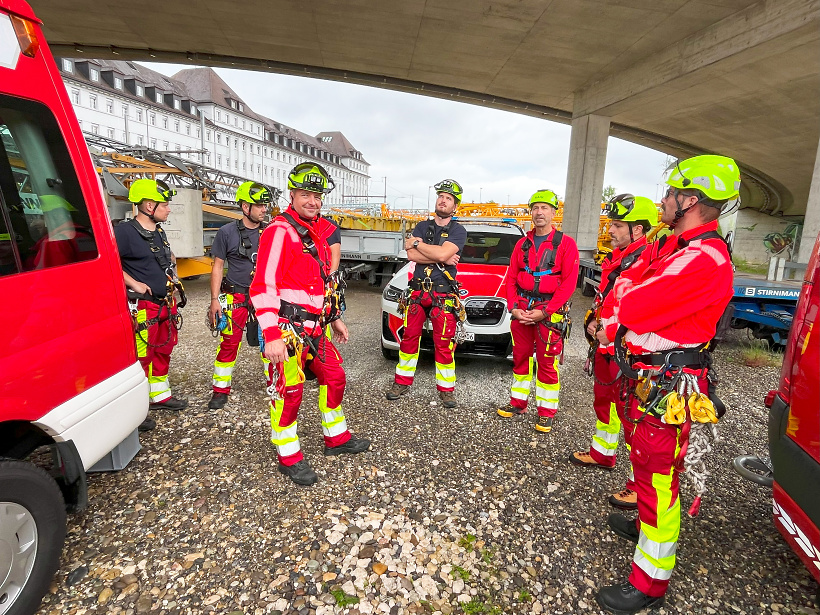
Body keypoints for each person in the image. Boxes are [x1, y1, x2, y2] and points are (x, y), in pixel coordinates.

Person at [595, 155, 739, 614]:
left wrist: (624, 295)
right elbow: (627, 285)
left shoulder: (703, 258)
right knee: (646, 466)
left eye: (669, 194)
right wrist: (626, 290)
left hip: (668, 381)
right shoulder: (680, 247)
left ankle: (650, 583)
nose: (662, 202)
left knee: (659, 478)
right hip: (651, 377)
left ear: (690, 200)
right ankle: (645, 529)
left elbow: (633, 302)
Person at [250, 162, 369, 487]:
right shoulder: (279, 232)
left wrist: (335, 318)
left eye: (316, 195)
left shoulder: (314, 234)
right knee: (289, 394)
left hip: (315, 330)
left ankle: (336, 439)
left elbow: (318, 286)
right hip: (287, 332)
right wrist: (271, 335)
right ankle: (288, 456)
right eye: (306, 194)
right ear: (292, 194)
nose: (312, 201)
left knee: (335, 377)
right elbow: (262, 287)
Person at [569, 195, 657, 509]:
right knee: (604, 402)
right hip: (606, 346)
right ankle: (603, 454)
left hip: (629, 351)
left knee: (634, 418)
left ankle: (639, 486)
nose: (612, 230)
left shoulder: (648, 260)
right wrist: (593, 321)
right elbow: (606, 299)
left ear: (638, 229)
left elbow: (644, 308)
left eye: (618, 225)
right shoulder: (618, 257)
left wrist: (612, 331)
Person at [497, 189, 579, 433]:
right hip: (522, 310)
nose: (539, 212)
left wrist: (547, 311)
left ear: (554, 212)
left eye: (545, 208)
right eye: (535, 208)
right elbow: (511, 277)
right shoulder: (522, 244)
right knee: (520, 359)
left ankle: (546, 412)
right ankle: (518, 403)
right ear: (530, 212)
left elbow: (569, 283)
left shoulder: (566, 244)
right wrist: (513, 308)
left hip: (548, 313)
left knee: (546, 363)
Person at [114, 179, 188, 431]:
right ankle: (137, 410)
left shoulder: (158, 231)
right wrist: (133, 282)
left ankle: (159, 396)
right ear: (148, 205)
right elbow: (111, 262)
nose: (168, 209)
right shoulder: (124, 232)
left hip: (164, 302)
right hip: (144, 306)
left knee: (164, 349)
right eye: (164, 204)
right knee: (142, 357)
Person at [385, 179, 467, 408]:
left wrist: (419, 245)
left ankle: (446, 389)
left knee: (444, 343)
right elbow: (412, 256)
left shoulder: (459, 231)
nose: (443, 200)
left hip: (443, 295)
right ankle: (401, 382)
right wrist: (439, 253)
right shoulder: (422, 226)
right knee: (409, 339)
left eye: (448, 198)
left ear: (455, 206)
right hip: (418, 293)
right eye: (441, 196)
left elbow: (438, 254)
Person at [207, 181, 273, 410]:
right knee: (228, 343)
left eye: (266, 205)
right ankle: (220, 390)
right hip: (235, 297)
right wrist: (214, 300)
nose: (265, 209)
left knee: (270, 342)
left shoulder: (272, 231)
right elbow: (217, 266)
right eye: (260, 205)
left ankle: (275, 384)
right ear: (245, 207)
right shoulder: (227, 233)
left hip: (264, 297)